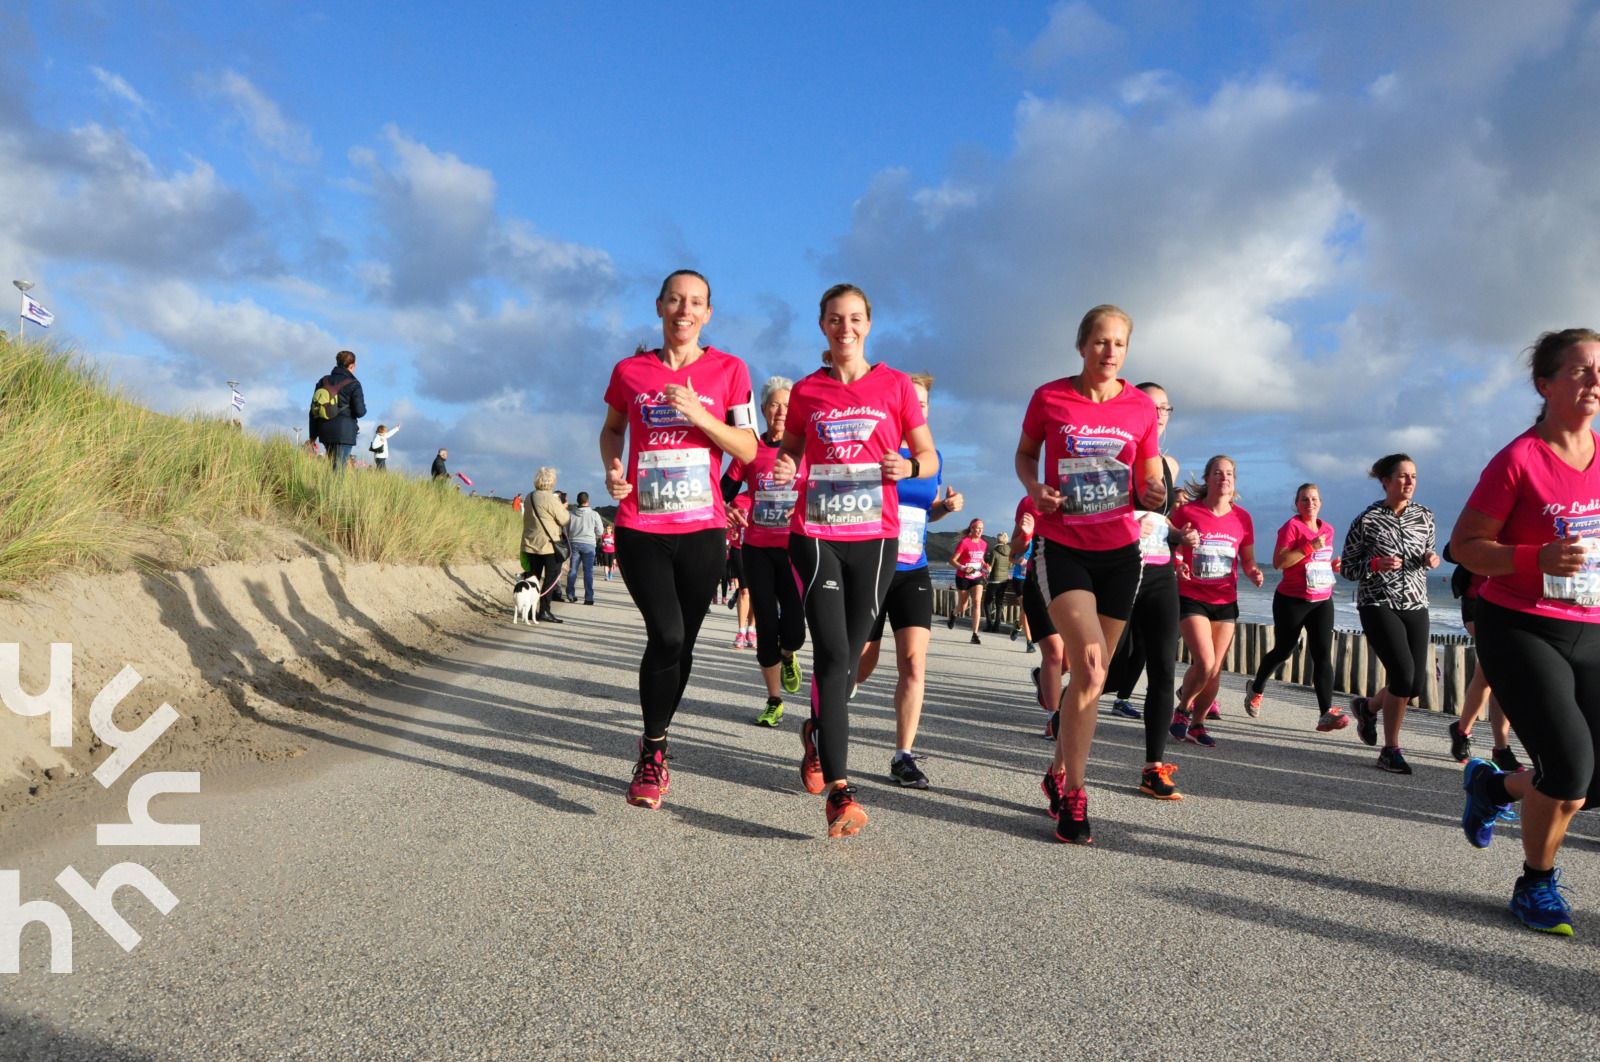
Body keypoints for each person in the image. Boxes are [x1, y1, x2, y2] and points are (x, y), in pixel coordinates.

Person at [770, 283, 937, 837]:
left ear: (869, 324)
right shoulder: (808, 390)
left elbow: (928, 455)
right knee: (834, 653)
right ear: (823, 325)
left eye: (856, 318)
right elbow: (792, 447)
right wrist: (787, 465)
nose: (846, 328)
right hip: (815, 533)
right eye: (836, 319)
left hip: (876, 539)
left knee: (849, 660)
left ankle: (817, 732)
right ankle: (841, 792)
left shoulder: (895, 385)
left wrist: (909, 468)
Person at [1451, 327, 1600, 936]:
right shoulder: (1519, 460)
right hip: (1520, 626)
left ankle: (1495, 789)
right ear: (1546, 384)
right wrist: (1533, 557)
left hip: (1590, 624)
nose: (1595, 381)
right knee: (1567, 769)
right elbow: (1465, 547)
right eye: (1581, 370)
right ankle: (1535, 883)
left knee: (1593, 781)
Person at [600, 269, 757, 810]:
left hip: (703, 530)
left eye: (695, 303)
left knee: (683, 642)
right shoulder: (630, 370)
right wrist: (612, 468)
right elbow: (612, 429)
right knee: (665, 634)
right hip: (640, 525)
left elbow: (749, 448)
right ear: (660, 306)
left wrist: (699, 415)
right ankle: (653, 753)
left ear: (708, 313)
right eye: (675, 300)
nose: (684, 310)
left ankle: (656, 739)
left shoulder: (731, 370)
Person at [1015, 304, 1166, 844]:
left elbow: (1149, 479)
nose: (1110, 352)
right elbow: (1025, 454)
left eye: (1119, 343)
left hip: (1121, 552)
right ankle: (1076, 795)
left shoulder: (1139, 408)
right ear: (1082, 346)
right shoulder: (1050, 397)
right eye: (1101, 341)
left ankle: (1058, 771)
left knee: (1090, 680)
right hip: (1063, 547)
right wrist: (1035, 488)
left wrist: (1154, 493)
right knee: (1093, 665)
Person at [854, 372, 961, 789]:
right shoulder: (876, 448)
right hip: (872, 566)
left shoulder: (933, 456)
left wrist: (945, 508)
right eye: (910, 403)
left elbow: (924, 510)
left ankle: (903, 755)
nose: (917, 410)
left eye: (923, 404)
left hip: (913, 568)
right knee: (862, 664)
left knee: (914, 662)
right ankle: (827, 715)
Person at [1102, 381, 1192, 797]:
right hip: (1118, 570)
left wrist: (1179, 535)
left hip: (1159, 573)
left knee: (1162, 668)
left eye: (1165, 408)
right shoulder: (1114, 455)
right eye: (1150, 406)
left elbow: (1160, 521)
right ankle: (1066, 716)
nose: (1158, 414)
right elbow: (1090, 509)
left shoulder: (1169, 464)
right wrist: (1123, 524)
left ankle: (1153, 768)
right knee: (1107, 667)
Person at [1340, 453, 1439, 775]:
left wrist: (1431, 559)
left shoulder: (1425, 516)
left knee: (1414, 685)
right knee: (1402, 676)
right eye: (1403, 476)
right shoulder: (1367, 520)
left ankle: (1367, 708)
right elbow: (1348, 568)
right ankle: (1390, 749)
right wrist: (1374, 564)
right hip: (1377, 602)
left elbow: (1429, 550)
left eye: (1413, 476)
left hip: (1416, 603)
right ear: (1386, 481)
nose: (1410, 482)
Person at [722, 375, 807, 724]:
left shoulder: (806, 450)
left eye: (788, 406)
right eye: (774, 404)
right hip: (757, 548)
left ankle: (789, 655)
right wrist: (727, 508)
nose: (781, 411)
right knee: (766, 627)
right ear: (763, 410)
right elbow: (722, 490)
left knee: (795, 630)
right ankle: (774, 700)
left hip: (795, 549)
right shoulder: (751, 449)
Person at [1169, 456, 1264, 750]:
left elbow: (1247, 560)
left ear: (1234, 481)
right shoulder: (1187, 511)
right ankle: (1183, 708)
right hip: (1192, 596)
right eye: (1218, 473)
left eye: (1229, 474)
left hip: (1225, 600)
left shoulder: (1242, 518)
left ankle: (1198, 724)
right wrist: (1178, 563)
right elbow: (1171, 546)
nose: (1224, 478)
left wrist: (1254, 572)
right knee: (1205, 662)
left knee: (1214, 671)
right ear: (1207, 478)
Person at [1243, 483, 1350, 733]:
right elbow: (1279, 562)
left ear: (1320, 502)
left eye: (1314, 499)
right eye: (1304, 499)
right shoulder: (1291, 527)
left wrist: (1333, 565)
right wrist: (1309, 547)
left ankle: (1326, 713)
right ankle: (1256, 688)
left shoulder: (1328, 529)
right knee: (1283, 650)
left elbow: (1318, 562)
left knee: (1322, 655)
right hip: (1292, 599)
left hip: (1322, 599)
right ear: (1297, 504)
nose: (1309, 503)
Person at [1446, 558, 1521, 769]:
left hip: (1516, 602)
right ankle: (1500, 749)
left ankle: (1463, 731)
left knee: (1492, 675)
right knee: (1497, 673)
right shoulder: (1484, 534)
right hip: (1479, 602)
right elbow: (1452, 552)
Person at [520, 466, 570, 624]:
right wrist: (563, 508)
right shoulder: (551, 499)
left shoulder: (529, 497)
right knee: (550, 578)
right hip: (548, 545)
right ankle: (544, 610)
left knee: (532, 578)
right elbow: (564, 519)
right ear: (552, 482)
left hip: (530, 543)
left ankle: (529, 610)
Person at [308, 350, 366, 472]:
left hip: (324, 430)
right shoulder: (354, 384)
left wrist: (312, 436)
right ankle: (331, 486)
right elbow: (360, 412)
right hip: (344, 433)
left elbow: (313, 410)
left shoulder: (323, 381)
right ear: (352, 365)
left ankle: (326, 484)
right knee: (338, 470)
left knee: (333, 467)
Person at [947, 519, 990, 643]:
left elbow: (980, 559)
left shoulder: (984, 544)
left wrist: (985, 566)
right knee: (963, 605)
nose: (980, 530)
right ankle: (954, 613)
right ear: (972, 528)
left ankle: (974, 634)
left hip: (977, 576)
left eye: (982, 528)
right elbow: (952, 560)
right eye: (978, 528)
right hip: (963, 577)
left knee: (977, 602)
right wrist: (963, 568)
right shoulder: (964, 542)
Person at [564, 491, 605, 606]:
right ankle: (588, 598)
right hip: (589, 545)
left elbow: (566, 531)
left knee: (573, 570)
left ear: (577, 501)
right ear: (588, 500)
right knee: (588, 572)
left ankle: (570, 595)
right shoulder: (594, 514)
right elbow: (600, 532)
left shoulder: (571, 514)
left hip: (574, 544)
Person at [983, 532, 1013, 633]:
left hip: (994, 580)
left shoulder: (994, 551)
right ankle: (996, 626)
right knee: (999, 603)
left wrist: (984, 566)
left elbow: (989, 568)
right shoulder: (1010, 551)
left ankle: (989, 625)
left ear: (997, 540)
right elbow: (1010, 566)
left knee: (987, 602)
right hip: (1004, 580)